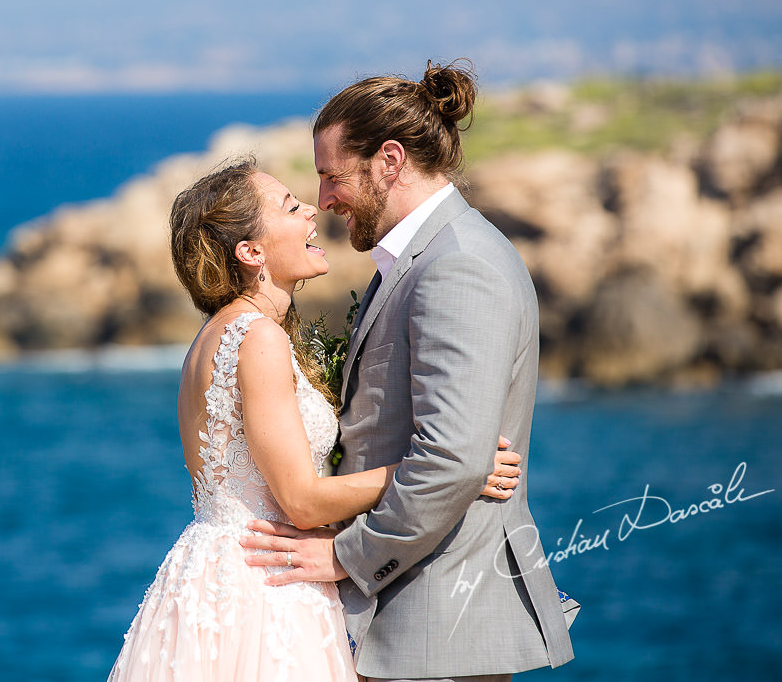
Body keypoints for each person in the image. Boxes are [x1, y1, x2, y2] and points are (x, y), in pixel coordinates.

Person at [107, 159, 525, 681]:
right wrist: (448, 469)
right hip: (265, 586)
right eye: (289, 206)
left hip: (209, 574)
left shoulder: (211, 338)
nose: (311, 209)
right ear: (251, 252)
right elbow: (301, 501)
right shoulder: (259, 339)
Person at [239, 59, 577, 682]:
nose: (324, 201)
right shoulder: (417, 262)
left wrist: (344, 557)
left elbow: (452, 460)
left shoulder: (458, 266)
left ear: (389, 161)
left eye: (331, 176)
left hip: (439, 624)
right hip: (416, 618)